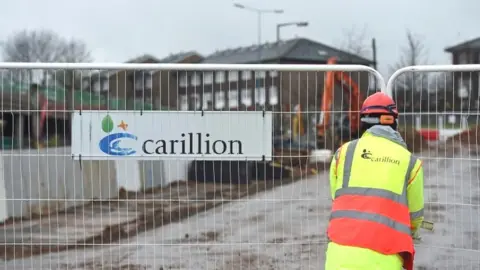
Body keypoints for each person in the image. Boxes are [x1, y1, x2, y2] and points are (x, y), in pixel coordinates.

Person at [325, 92, 425, 270]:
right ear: (393, 121)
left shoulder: (343, 153)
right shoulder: (411, 163)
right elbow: (415, 218)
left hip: (337, 258)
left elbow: (337, 197)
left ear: (363, 121)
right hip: (385, 259)